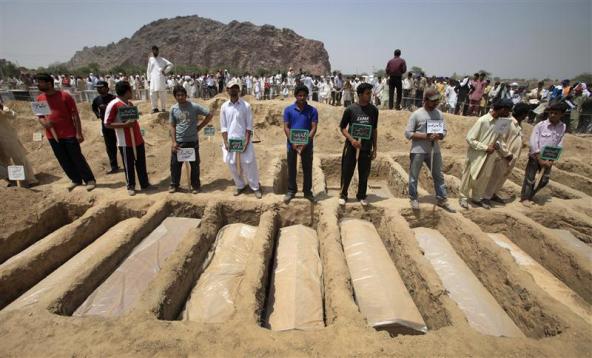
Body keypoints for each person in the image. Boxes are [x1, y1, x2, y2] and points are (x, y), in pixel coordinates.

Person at [35, 73, 96, 191]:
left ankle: (89, 179)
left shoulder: (65, 96)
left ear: (49, 83)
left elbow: (75, 116)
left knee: (76, 157)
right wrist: (45, 123)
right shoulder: (39, 99)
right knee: (63, 159)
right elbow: (40, 116)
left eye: (40, 82)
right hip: (53, 136)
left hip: (69, 134)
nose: (38, 84)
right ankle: (75, 179)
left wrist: (78, 133)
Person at [404, 88, 455, 212]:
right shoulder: (417, 114)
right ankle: (413, 198)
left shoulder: (439, 114)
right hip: (418, 150)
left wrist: (439, 135)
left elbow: (444, 131)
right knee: (414, 176)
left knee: (438, 175)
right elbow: (408, 133)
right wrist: (425, 136)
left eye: (437, 101)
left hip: (434, 150)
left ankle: (442, 199)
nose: (435, 103)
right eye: (433, 101)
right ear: (425, 100)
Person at [458, 99, 514, 209]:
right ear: (502, 109)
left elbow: (499, 139)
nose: (509, 114)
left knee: (484, 178)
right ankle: (463, 198)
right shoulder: (483, 121)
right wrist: (485, 148)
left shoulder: (502, 122)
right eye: (508, 111)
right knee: (468, 177)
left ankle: (477, 198)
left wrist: (505, 152)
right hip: (477, 155)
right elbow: (470, 138)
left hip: (490, 156)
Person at [104, 81, 150, 196]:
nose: (133, 92)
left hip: (137, 138)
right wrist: (124, 126)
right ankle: (131, 185)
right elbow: (107, 124)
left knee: (141, 163)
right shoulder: (113, 104)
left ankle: (145, 184)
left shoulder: (129, 104)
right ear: (127, 91)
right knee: (128, 164)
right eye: (131, 90)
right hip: (125, 141)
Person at [220, 78, 262, 198]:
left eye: (236, 88)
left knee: (249, 163)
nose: (234, 90)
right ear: (227, 90)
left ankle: (255, 187)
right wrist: (225, 142)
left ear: (239, 90)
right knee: (231, 163)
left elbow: (249, 126)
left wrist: (246, 142)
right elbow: (223, 127)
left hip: (244, 141)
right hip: (230, 141)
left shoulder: (246, 106)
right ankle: (240, 186)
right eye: (231, 88)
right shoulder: (224, 107)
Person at [520, 100, 567, 206]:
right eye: (551, 113)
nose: (553, 115)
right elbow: (533, 142)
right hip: (536, 156)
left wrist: (551, 159)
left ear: (562, 114)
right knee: (530, 178)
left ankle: (531, 194)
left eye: (556, 113)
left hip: (549, 157)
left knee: (544, 180)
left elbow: (560, 142)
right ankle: (525, 198)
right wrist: (540, 159)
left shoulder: (562, 127)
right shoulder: (540, 125)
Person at [338, 83, 378, 206]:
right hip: (351, 147)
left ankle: (361, 195)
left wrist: (375, 148)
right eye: (367, 93)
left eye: (370, 93)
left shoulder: (374, 110)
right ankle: (343, 194)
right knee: (347, 171)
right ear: (360, 94)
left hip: (366, 147)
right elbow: (342, 128)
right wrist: (352, 140)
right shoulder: (350, 109)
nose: (370, 95)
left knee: (364, 172)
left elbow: (374, 129)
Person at [168, 85, 213, 194]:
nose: (180, 97)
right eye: (178, 95)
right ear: (175, 96)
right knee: (175, 165)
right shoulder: (173, 109)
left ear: (186, 95)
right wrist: (173, 142)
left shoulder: (194, 106)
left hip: (192, 141)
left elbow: (209, 114)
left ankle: (196, 186)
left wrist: (200, 127)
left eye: (182, 95)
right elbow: (172, 126)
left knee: (194, 165)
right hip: (179, 141)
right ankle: (174, 185)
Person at [482, 102, 528, 203]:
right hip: (501, 156)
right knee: (494, 177)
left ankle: (493, 194)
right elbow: (496, 139)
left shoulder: (519, 125)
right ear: (524, 114)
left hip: (511, 157)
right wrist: (506, 154)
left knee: (502, 177)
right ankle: (485, 197)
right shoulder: (504, 121)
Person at [282, 85, 318, 204]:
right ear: (296, 96)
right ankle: (291, 191)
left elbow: (314, 128)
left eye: (304, 95)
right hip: (291, 144)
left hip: (307, 144)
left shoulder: (312, 110)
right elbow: (286, 127)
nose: (302, 97)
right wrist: (292, 142)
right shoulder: (288, 110)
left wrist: (306, 142)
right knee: (291, 167)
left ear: (307, 96)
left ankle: (307, 192)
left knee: (307, 168)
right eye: (299, 95)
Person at [91, 81, 120, 174]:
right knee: (110, 147)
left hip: (117, 125)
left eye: (101, 87)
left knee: (121, 145)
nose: (99, 89)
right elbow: (94, 108)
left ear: (107, 88)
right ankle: (114, 166)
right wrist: (98, 114)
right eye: (97, 88)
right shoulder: (96, 100)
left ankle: (128, 163)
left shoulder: (114, 98)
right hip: (105, 126)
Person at [146, 45, 173, 113]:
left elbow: (171, 65)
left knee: (162, 94)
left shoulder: (162, 59)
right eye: (153, 50)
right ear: (152, 51)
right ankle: (155, 108)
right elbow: (148, 70)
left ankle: (163, 108)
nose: (154, 51)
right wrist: (149, 79)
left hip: (160, 79)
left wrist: (165, 71)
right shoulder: (150, 59)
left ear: (158, 51)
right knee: (152, 94)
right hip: (152, 79)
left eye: (155, 50)